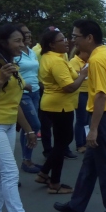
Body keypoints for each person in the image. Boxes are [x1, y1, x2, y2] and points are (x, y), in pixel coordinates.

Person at [54, 20, 106, 212]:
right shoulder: (104, 55)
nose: (73, 39)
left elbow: (100, 96)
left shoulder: (98, 60)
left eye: (76, 36)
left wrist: (93, 129)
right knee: (90, 165)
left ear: (89, 38)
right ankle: (77, 204)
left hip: (104, 118)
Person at [0, 24, 47, 212]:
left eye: (23, 40)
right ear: (2, 43)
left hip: (7, 125)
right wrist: (0, 80)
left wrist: (29, 130)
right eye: (17, 40)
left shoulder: (11, 65)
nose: (22, 44)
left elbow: (15, 103)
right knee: (11, 173)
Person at [36, 30, 88, 194]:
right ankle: (55, 183)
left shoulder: (52, 57)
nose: (66, 42)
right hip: (60, 105)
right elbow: (69, 87)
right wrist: (83, 75)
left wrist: (77, 75)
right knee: (61, 143)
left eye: (66, 39)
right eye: (61, 40)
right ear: (51, 44)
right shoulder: (56, 61)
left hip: (56, 104)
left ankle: (44, 173)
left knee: (62, 141)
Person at [14, 24, 42, 173]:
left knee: (28, 127)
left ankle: (27, 160)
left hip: (35, 92)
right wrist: (23, 84)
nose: (28, 35)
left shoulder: (31, 52)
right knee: (34, 126)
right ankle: (26, 160)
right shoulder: (14, 53)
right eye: (24, 33)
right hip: (22, 93)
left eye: (29, 32)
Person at [69, 49, 90, 154]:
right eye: (88, 52)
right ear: (81, 52)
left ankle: (85, 141)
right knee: (81, 119)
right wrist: (84, 73)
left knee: (86, 120)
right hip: (80, 92)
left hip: (89, 91)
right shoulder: (74, 61)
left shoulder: (88, 61)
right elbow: (77, 75)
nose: (90, 54)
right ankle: (79, 144)